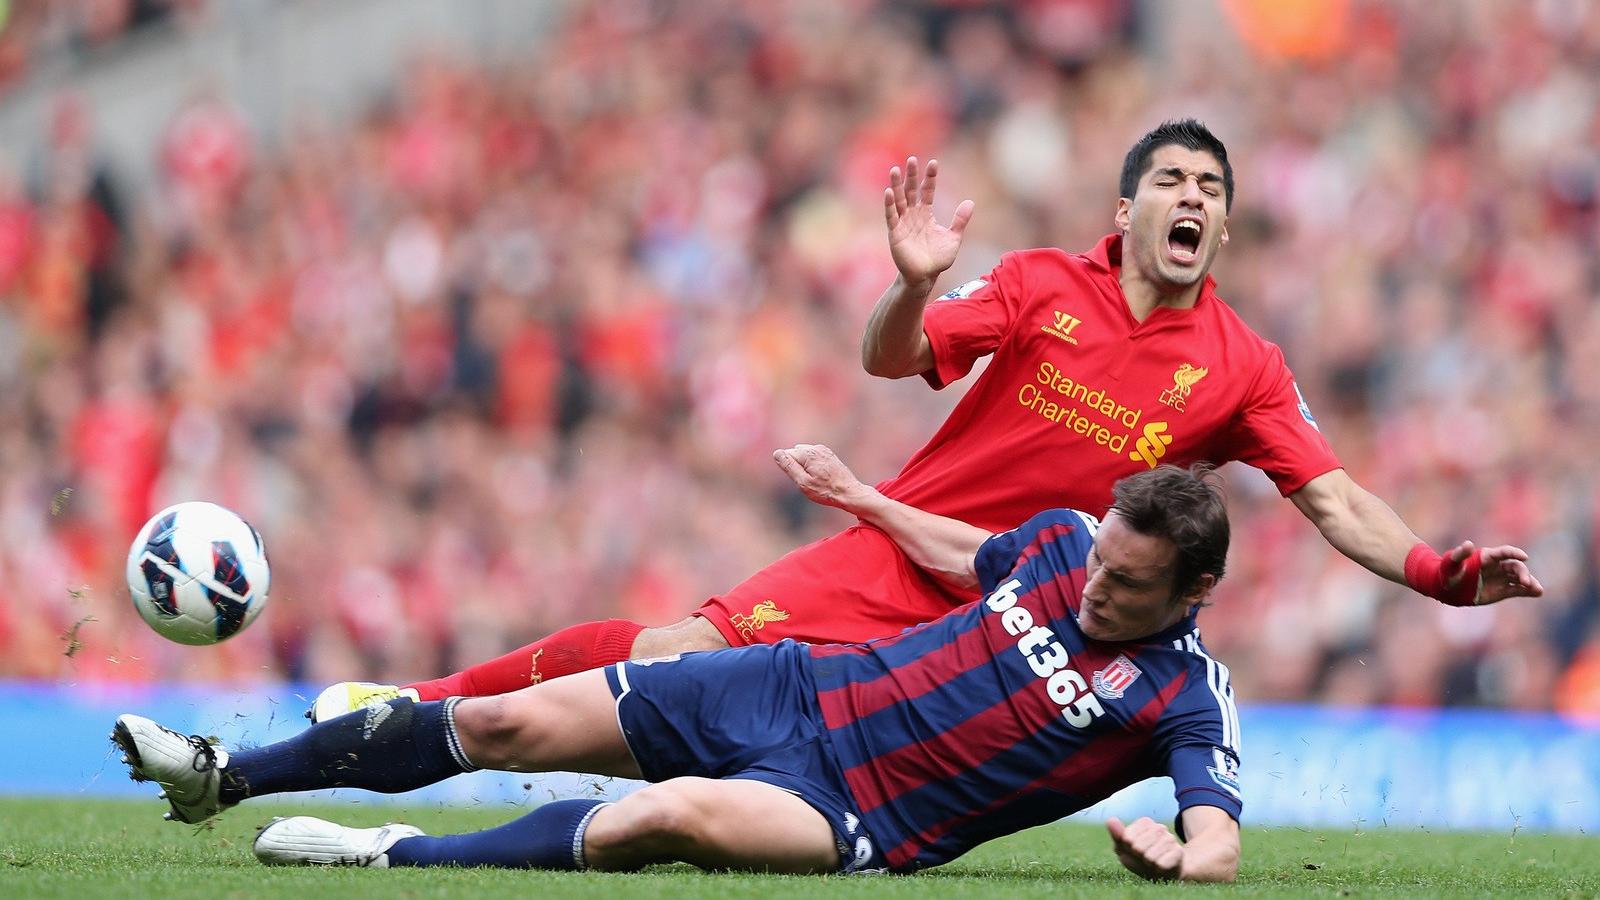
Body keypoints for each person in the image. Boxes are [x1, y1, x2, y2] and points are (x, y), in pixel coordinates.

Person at [305, 119, 1542, 722]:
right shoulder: (1035, 284)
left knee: (778, 775)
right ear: (1128, 206)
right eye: (1171, 178)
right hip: (897, 556)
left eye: (1211, 191)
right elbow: (889, 358)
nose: (1192, 197)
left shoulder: (1241, 366)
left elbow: (1332, 496)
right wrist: (906, 277)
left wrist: (1436, 571)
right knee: (677, 662)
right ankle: (415, 707)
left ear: (1222, 231)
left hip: (1026, 623)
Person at [115, 447, 1248, 881]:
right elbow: (977, 554)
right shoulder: (1060, 543)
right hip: (797, 685)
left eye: (1126, 585)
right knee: (509, 721)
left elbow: (1221, 840)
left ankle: (387, 857)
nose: (1095, 586)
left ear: (1191, 593)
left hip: (857, 811)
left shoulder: (1184, 700)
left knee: (667, 820)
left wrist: (1176, 858)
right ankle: (223, 777)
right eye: (1100, 559)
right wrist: (864, 501)